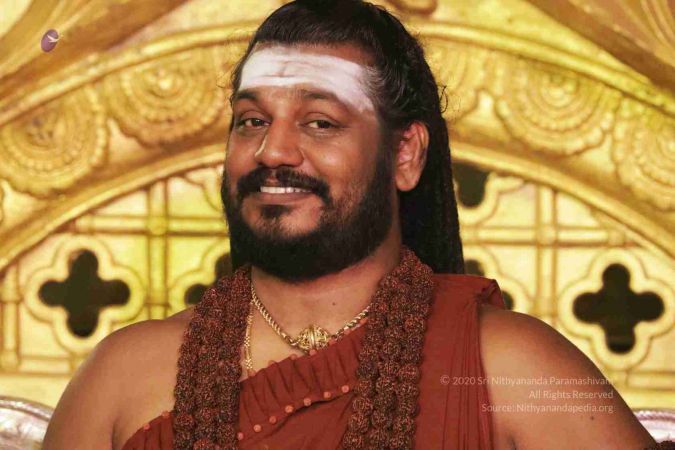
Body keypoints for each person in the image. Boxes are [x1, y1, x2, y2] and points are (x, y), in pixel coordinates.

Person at [43, 1, 665, 449]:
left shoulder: (518, 368)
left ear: (405, 154)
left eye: (320, 122)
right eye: (252, 121)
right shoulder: (122, 376)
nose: (272, 151)